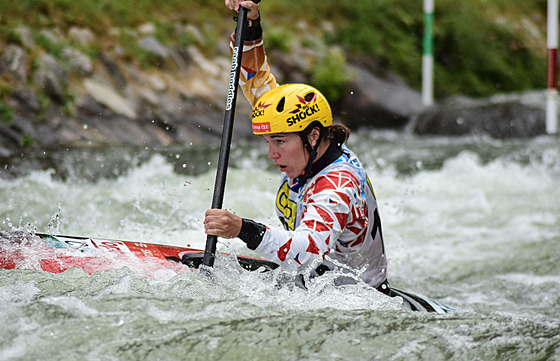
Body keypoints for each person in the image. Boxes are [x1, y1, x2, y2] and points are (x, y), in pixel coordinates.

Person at [204, 0, 390, 294]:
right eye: (268, 141)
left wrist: (242, 229)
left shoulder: (337, 184)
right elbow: (254, 78)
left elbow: (308, 250)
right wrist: (250, 23)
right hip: (310, 280)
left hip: (353, 298)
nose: (271, 153)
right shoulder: (301, 138)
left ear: (313, 136)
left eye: (279, 142)